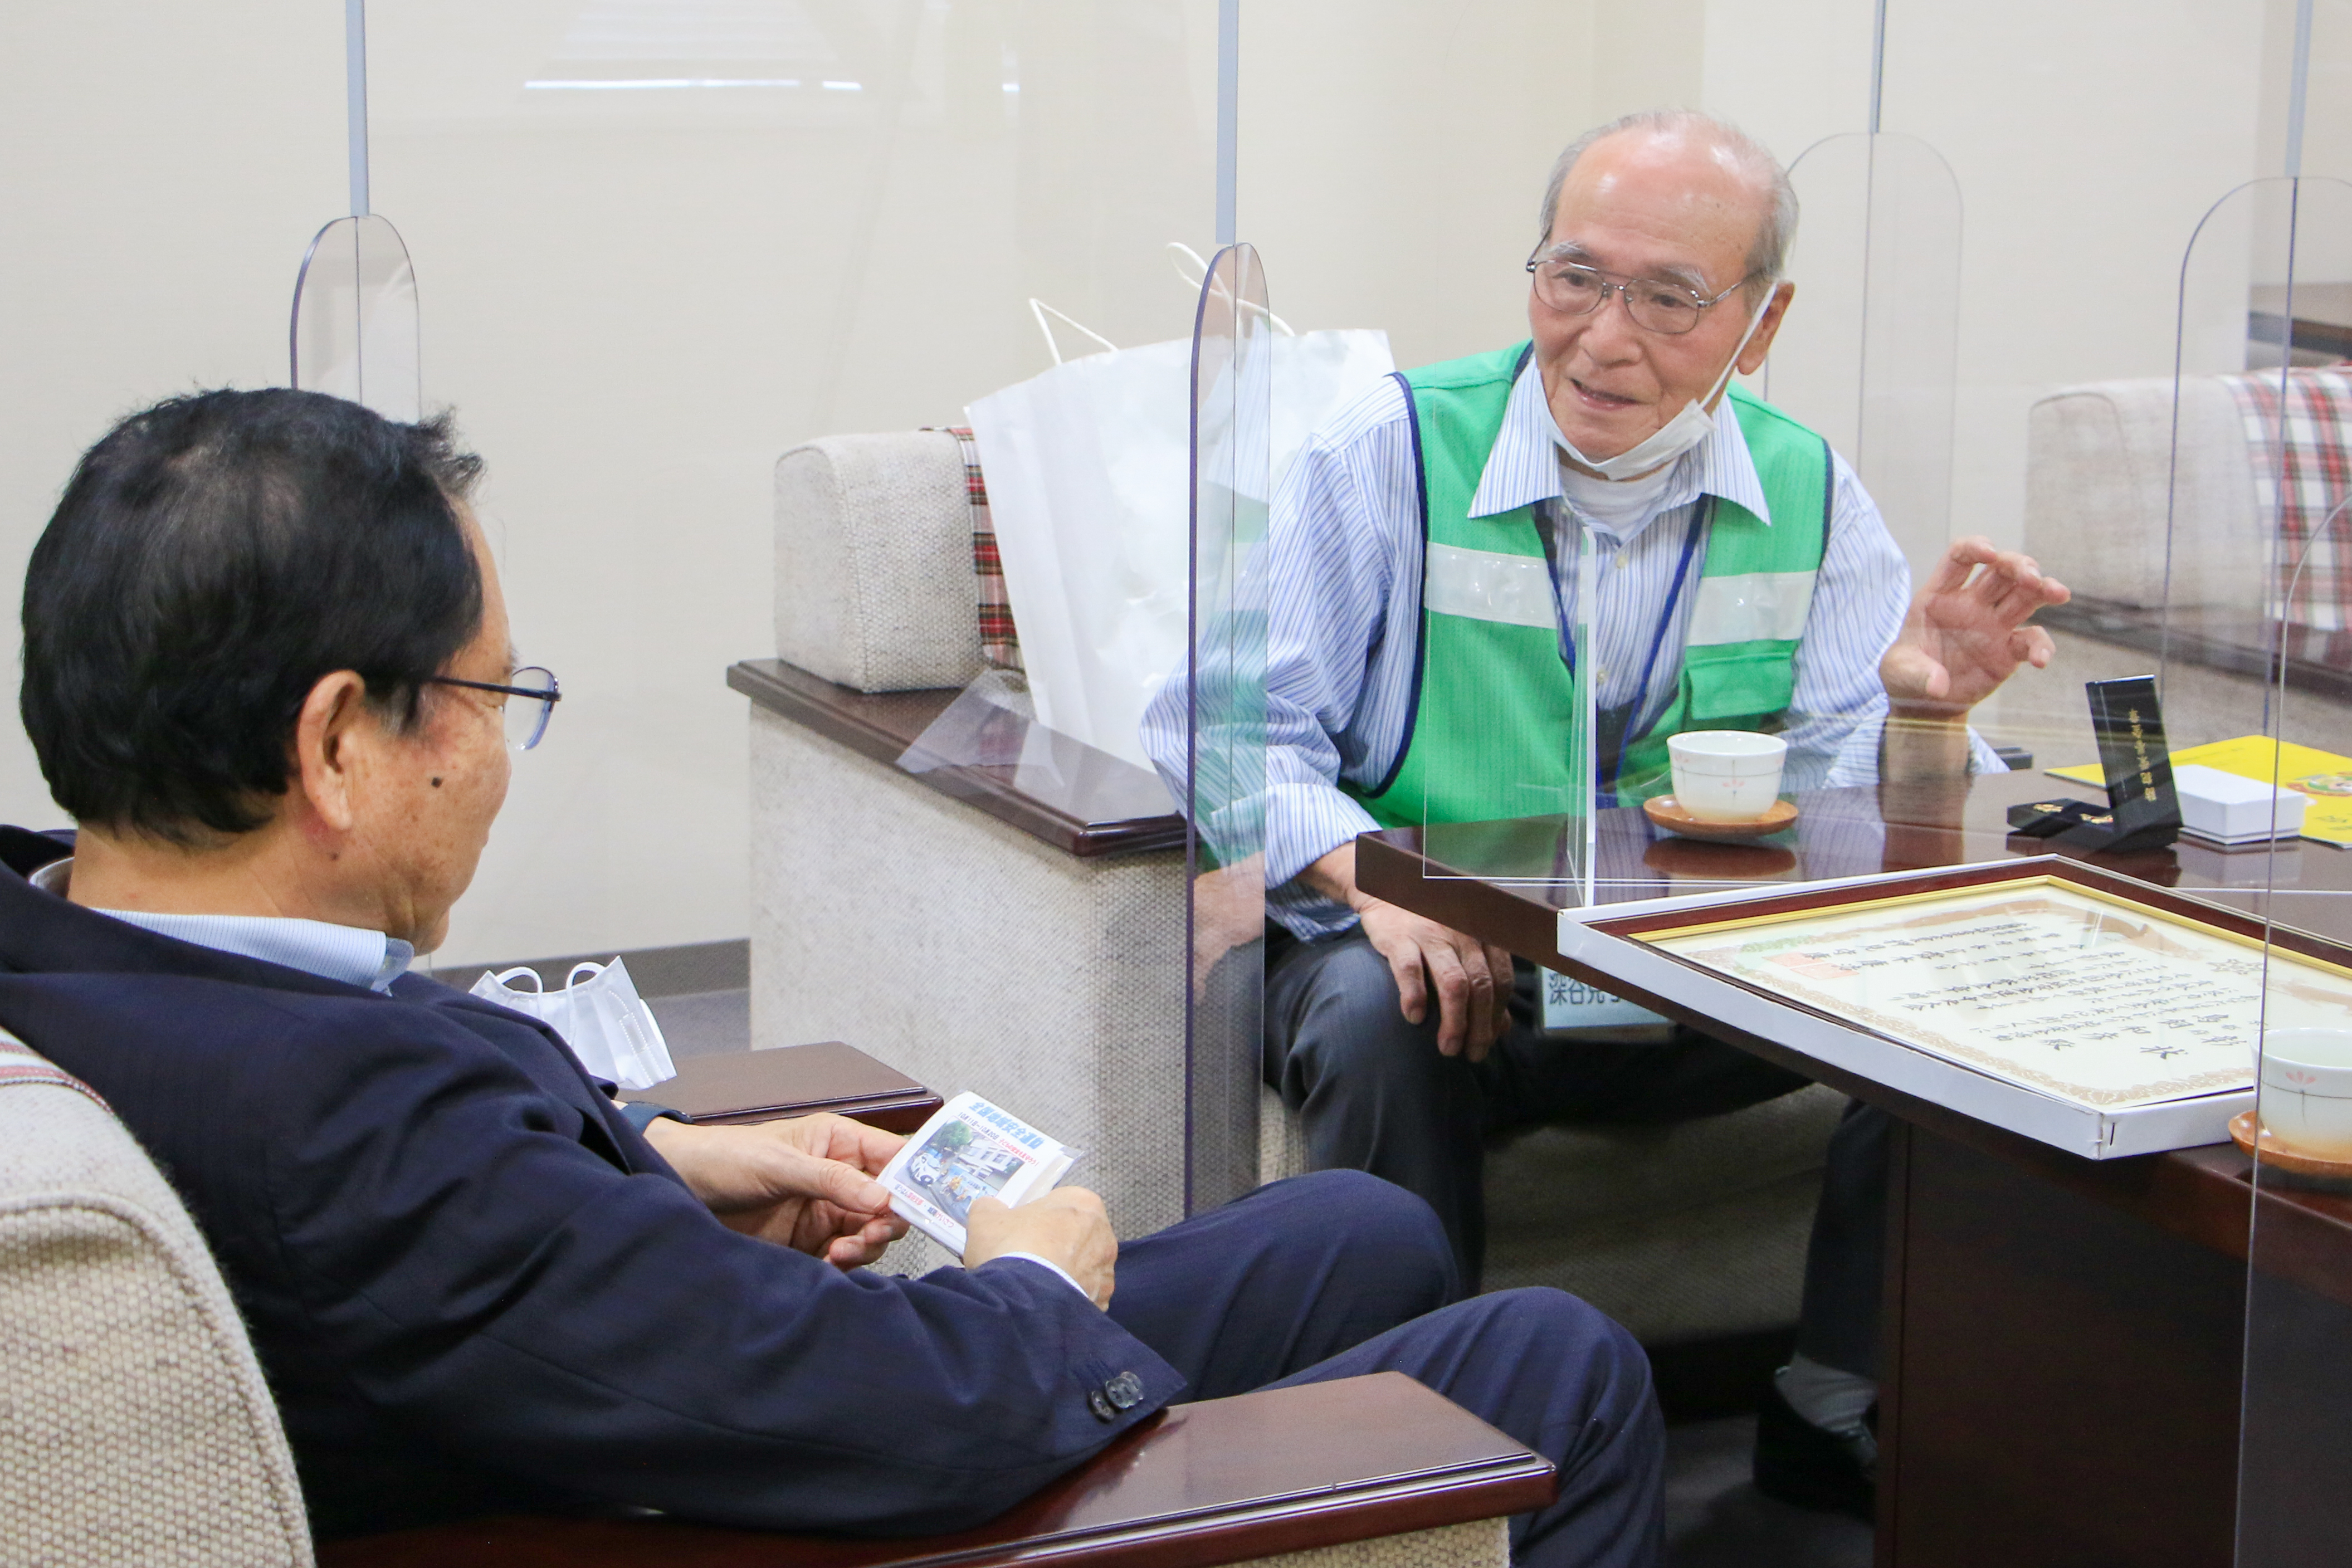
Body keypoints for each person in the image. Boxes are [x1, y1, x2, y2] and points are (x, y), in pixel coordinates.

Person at [0, 387, 1663, 1566]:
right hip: (777, 1489)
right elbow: (899, 1416)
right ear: (339, 748)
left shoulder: (72, 939)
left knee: (1360, 1227)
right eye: (495, 699)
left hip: (636, 1392)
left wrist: (648, 1158)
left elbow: (463, 1256)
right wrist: (1026, 1285)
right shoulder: (355, 1137)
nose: (504, 756)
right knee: (1557, 1364)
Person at [1144, 109, 2069, 1518]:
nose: (1601, 337)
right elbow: (1215, 727)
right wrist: (1376, 880)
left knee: (1958, 996)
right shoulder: (1389, 452)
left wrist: (1928, 716)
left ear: (1759, 324)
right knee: (1362, 1009)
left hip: (1696, 987)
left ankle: (1836, 1403)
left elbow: (1865, 827)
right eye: (1571, 276)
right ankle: (1404, 1462)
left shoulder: (1808, 489)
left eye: (1668, 296)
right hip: (1458, 978)